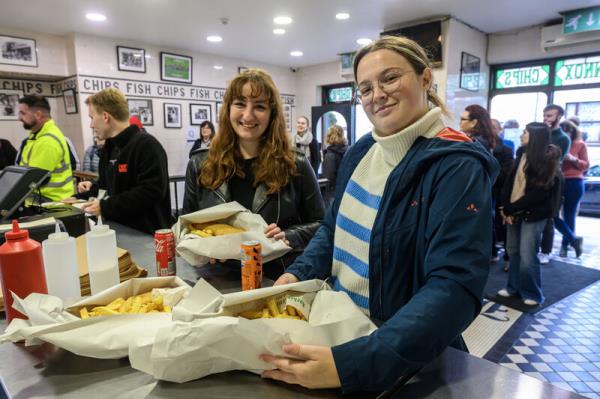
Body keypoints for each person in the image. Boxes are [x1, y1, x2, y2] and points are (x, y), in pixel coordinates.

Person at [260, 36, 498, 393]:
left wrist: (355, 364)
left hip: (401, 354)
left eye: (389, 78)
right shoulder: (361, 152)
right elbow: (332, 229)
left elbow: (454, 287)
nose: (377, 95)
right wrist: (297, 274)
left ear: (425, 78)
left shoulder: (456, 165)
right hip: (341, 327)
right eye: (366, 88)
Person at [183, 69, 325, 279]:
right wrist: (202, 244)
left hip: (275, 277)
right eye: (240, 103)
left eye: (259, 106)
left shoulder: (296, 164)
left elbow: (321, 225)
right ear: (228, 109)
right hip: (216, 277)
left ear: (272, 114)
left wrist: (289, 235)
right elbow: (188, 224)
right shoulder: (199, 163)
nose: (248, 115)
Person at [77, 88, 172, 234]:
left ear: (105, 116)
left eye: (91, 117)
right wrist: (80, 195)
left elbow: (150, 192)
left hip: (147, 237)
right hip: (117, 230)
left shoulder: (147, 145)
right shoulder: (109, 148)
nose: (91, 125)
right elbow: (108, 188)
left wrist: (105, 207)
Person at [498, 122, 562, 306]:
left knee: (528, 255)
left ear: (535, 136)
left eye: (525, 132)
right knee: (513, 251)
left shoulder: (547, 159)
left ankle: (532, 293)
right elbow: (510, 182)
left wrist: (511, 207)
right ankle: (513, 288)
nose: (521, 135)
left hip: (534, 213)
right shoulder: (521, 154)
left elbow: (539, 193)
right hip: (514, 211)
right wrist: (505, 207)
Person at [17, 95, 75, 202]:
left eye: (23, 113)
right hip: (41, 199)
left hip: (48, 202)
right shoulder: (37, 136)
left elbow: (31, 181)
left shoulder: (47, 141)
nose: (19, 118)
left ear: (38, 114)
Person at [538, 104, 571, 264]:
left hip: (552, 178)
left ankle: (546, 251)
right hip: (536, 176)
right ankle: (537, 248)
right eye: (545, 116)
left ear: (559, 117)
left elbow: (557, 160)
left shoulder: (563, 138)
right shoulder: (541, 133)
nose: (546, 119)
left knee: (550, 217)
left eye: (549, 116)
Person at [555, 120, 588, 258]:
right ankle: (573, 239)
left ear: (573, 131)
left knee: (569, 215)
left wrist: (573, 159)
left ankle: (565, 246)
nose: (566, 133)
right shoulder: (557, 144)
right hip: (557, 181)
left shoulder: (580, 144)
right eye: (563, 130)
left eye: (569, 130)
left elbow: (585, 165)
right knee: (552, 215)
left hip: (574, 182)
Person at [321, 124, 348, 203]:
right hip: (345, 190)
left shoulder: (330, 155)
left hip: (333, 193)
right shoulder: (348, 150)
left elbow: (328, 177)